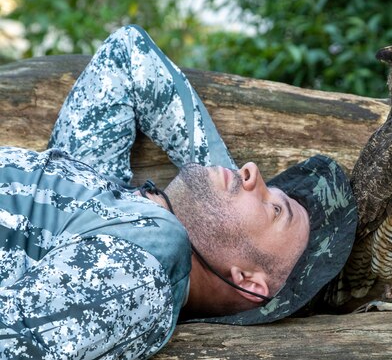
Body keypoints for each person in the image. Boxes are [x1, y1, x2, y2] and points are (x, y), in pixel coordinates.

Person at [0, 25, 358, 359]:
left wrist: (222, 199)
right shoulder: (108, 194)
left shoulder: (144, 274)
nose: (251, 171)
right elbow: (128, 55)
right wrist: (219, 186)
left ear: (247, 280)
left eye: (276, 210)